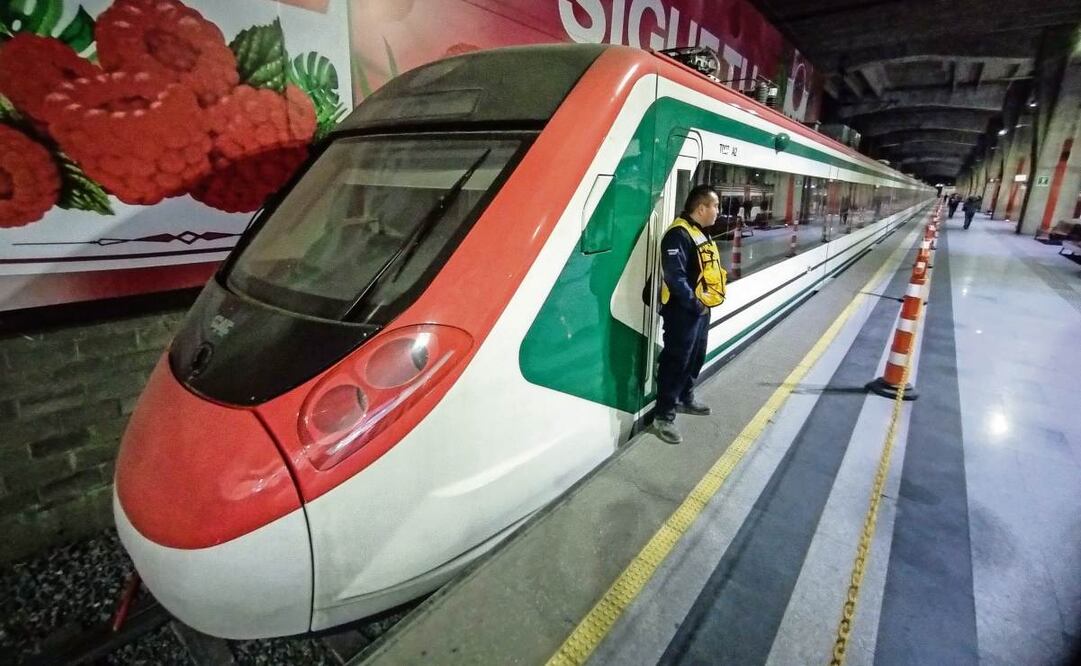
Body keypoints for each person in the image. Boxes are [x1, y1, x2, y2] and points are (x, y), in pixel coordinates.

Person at [653, 184, 728, 445]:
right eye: (715, 206)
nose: (718, 211)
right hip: (682, 311)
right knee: (677, 361)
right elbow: (675, 277)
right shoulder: (678, 235)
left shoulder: (699, 232)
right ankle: (664, 415)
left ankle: (685, 397)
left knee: (696, 355)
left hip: (699, 310)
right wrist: (695, 304)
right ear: (701, 207)